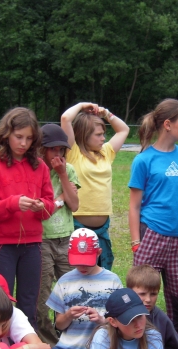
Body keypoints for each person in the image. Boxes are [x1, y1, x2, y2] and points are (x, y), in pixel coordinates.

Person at [128, 98, 178, 347]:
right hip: (152, 234)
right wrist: (136, 242)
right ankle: (139, 342)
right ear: (168, 124)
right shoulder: (144, 160)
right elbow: (134, 205)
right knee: (143, 292)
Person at [0, 107, 55, 333]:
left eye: (29, 138)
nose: (23, 143)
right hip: (3, 245)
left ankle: (28, 344)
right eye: (19, 137)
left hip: (33, 245)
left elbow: (49, 205)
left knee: (29, 301)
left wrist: (42, 207)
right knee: (0, 299)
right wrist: (12, 204)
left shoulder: (40, 166)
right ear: (6, 135)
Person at [45, 228, 122, 349]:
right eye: (78, 262)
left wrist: (102, 320)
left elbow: (120, 323)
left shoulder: (112, 280)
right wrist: (68, 316)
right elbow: (59, 325)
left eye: (87, 262)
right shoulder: (65, 281)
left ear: (99, 253)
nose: (82, 267)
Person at [61, 102, 129, 270]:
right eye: (98, 134)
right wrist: (82, 105)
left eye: (103, 134)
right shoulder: (73, 153)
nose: (103, 138)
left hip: (102, 229)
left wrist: (106, 113)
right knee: (80, 273)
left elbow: (124, 130)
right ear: (84, 135)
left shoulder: (106, 152)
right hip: (78, 227)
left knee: (101, 274)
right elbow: (65, 118)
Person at [36, 124, 80, 346]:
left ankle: (69, 337)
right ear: (41, 148)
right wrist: (60, 199)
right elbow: (42, 212)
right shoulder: (35, 170)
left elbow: (75, 204)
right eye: (53, 149)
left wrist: (62, 174)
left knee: (71, 291)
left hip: (65, 238)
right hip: (42, 239)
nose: (58, 154)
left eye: (61, 149)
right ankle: (48, 342)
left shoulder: (68, 170)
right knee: (41, 296)